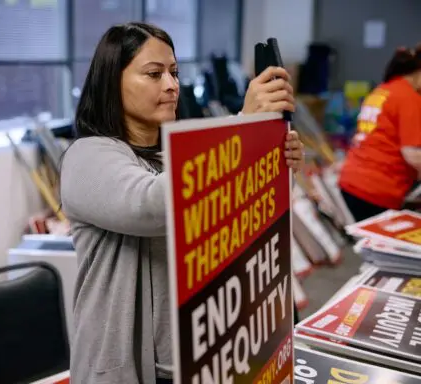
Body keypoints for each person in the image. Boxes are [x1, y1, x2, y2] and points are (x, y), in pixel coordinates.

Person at [60, 22, 304, 384]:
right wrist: (242, 126)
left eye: (174, 73)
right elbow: (153, 205)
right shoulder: (87, 156)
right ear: (112, 81)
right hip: (134, 372)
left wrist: (278, 164)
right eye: (154, 74)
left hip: (200, 362)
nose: (172, 86)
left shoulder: (171, 154)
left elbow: (238, 210)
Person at [339, 45, 421, 222]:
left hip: (352, 180)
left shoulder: (383, 89)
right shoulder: (409, 98)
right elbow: (412, 154)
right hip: (378, 189)